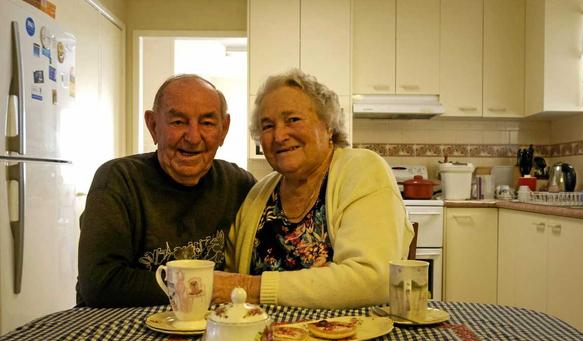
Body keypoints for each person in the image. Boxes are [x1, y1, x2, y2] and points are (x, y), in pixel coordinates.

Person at [214, 69, 413, 309]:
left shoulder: (363, 170)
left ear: (328, 126)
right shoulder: (259, 194)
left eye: (293, 120)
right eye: (267, 126)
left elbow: (373, 280)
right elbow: (228, 278)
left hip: (349, 338)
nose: (279, 135)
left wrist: (252, 288)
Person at [76, 75, 256, 307]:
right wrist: (209, 285)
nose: (193, 137)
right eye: (178, 122)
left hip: (205, 329)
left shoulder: (239, 184)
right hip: (116, 328)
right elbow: (101, 284)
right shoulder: (119, 180)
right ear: (153, 125)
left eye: (208, 123)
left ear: (224, 129)